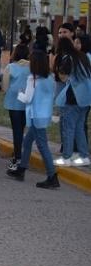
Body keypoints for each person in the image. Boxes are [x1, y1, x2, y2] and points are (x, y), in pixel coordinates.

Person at [6, 51, 61, 189]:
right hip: (44, 114)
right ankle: (22, 169)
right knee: (28, 141)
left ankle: (52, 176)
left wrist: (20, 93)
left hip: (35, 115)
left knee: (42, 147)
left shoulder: (33, 79)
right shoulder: (50, 78)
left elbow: (27, 98)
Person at [53, 36, 91, 166]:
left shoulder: (68, 58)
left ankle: (66, 158)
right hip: (86, 98)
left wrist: (58, 70)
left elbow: (63, 77)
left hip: (73, 97)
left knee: (68, 128)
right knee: (79, 127)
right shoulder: (83, 57)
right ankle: (84, 156)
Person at [2, 44, 31, 170]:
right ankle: (21, 154)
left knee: (16, 130)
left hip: (13, 101)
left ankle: (17, 156)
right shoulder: (32, 67)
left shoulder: (10, 67)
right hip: (27, 101)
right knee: (23, 128)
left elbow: (5, 86)